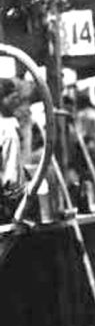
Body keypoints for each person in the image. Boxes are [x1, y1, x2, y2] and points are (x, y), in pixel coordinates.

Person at [0, 78, 23, 223]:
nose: (17, 102)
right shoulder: (8, 130)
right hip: (5, 205)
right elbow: (11, 178)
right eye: (13, 98)